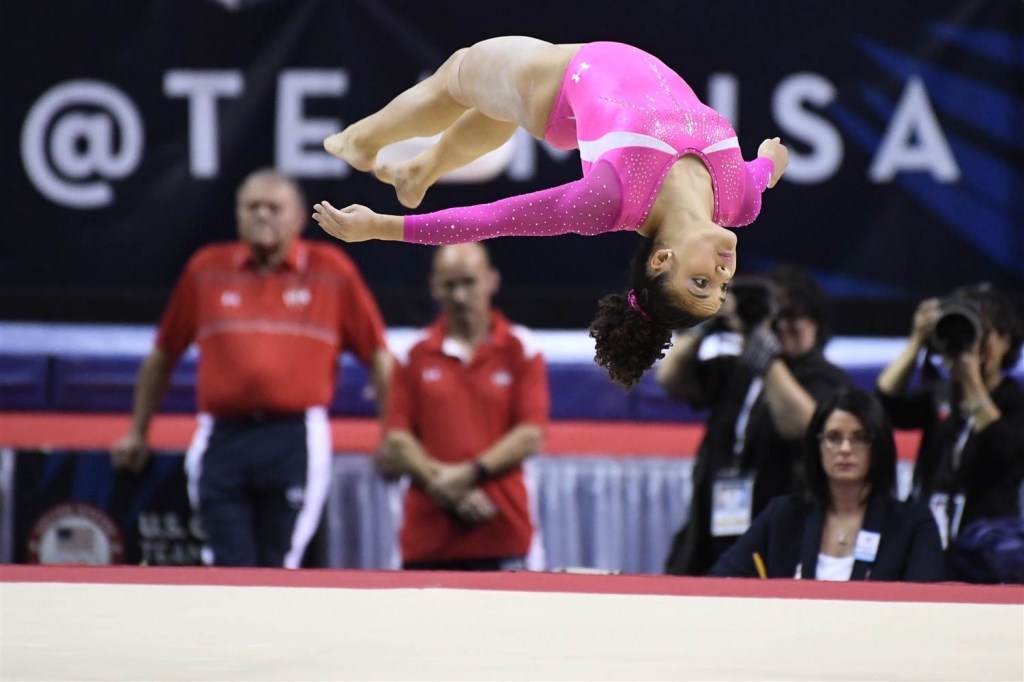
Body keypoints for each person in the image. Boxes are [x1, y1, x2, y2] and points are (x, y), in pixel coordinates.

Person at [312, 37, 790, 387]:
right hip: (572, 99)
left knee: (460, 75)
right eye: (720, 286)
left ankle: (360, 141)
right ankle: (421, 172)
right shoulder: (741, 201)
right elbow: (762, 169)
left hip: (560, 82)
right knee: (498, 105)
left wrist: (380, 226)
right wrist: (771, 161)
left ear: (661, 260)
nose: (724, 273)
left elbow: (495, 219)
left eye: (701, 282)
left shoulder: (611, 200)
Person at [111, 169, 392, 568]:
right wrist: (136, 431)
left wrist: (391, 433)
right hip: (222, 437)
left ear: (298, 218)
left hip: (294, 438)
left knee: (281, 564)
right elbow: (163, 354)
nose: (263, 215)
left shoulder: (332, 271)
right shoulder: (206, 268)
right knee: (225, 564)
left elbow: (379, 355)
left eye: (274, 208)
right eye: (252, 207)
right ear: (237, 214)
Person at [660, 266, 850, 576]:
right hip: (712, 525)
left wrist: (763, 349)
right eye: (774, 316)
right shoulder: (739, 369)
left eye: (793, 315)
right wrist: (701, 323)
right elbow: (672, 380)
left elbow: (803, 426)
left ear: (815, 320)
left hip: (777, 531)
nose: (782, 325)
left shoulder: (825, 377)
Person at [377, 243, 549, 570]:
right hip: (428, 535)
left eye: (468, 282)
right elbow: (397, 437)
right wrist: (449, 490)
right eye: (450, 285)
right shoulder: (412, 353)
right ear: (434, 288)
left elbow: (530, 434)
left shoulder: (521, 348)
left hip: (502, 527)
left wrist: (468, 473)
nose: (459, 296)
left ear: (491, 281)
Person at [708, 390, 945, 581]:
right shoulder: (783, 516)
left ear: (880, 446)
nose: (844, 449)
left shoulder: (912, 524)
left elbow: (926, 608)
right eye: (833, 438)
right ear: (817, 446)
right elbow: (719, 583)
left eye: (860, 438)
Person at [876, 283, 1024, 556]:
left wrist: (971, 381)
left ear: (1006, 340)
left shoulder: (1014, 401)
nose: (975, 345)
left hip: (989, 549)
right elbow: (885, 403)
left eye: (984, 334)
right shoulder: (941, 395)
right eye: (970, 333)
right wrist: (917, 340)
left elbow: (1004, 452)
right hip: (928, 542)